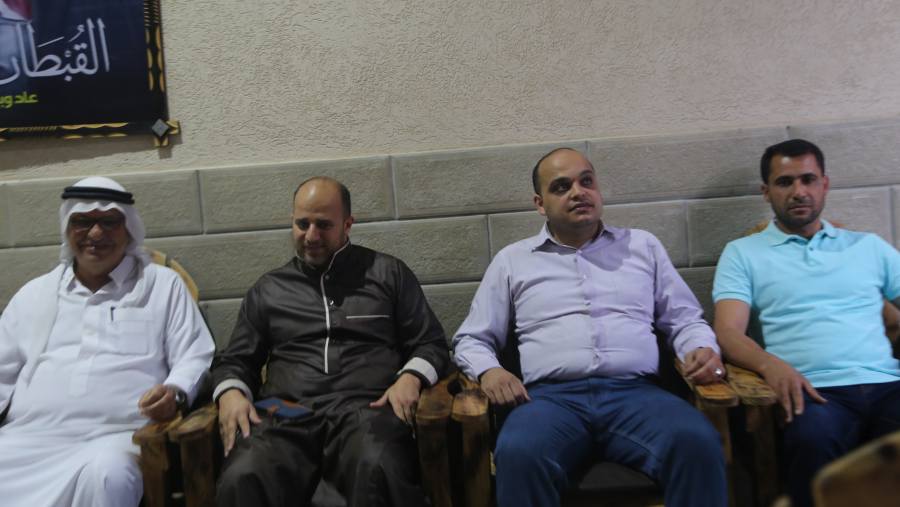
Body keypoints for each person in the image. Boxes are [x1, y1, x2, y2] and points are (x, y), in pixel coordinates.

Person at [452, 147, 728, 507]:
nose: (578, 192)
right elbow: (471, 338)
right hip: (550, 401)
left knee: (697, 442)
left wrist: (702, 348)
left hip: (637, 395)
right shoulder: (512, 261)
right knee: (519, 451)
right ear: (540, 204)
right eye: (561, 187)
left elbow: (684, 319)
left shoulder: (642, 246)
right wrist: (489, 371)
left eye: (586, 181)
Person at [212, 176, 450, 507]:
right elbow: (236, 359)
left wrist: (411, 378)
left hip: (367, 412)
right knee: (243, 475)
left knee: (377, 466)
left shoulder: (388, 274)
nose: (311, 235)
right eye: (302, 224)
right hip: (285, 416)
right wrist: (230, 393)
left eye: (323, 225)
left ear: (347, 224)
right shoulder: (269, 289)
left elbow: (431, 343)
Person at [0, 176, 215, 507]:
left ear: (128, 228)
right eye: (82, 222)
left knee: (110, 475)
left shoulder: (160, 285)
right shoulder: (34, 294)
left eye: (109, 222)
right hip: (27, 439)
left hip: (114, 439)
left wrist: (174, 392)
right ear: (67, 228)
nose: (96, 233)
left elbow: (194, 355)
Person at [712, 138, 900, 507]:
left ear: (824, 184)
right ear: (766, 192)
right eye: (785, 182)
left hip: (887, 384)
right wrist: (771, 366)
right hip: (815, 392)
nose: (799, 191)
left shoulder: (867, 246)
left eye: (808, 179)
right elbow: (728, 332)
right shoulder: (743, 254)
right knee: (812, 442)